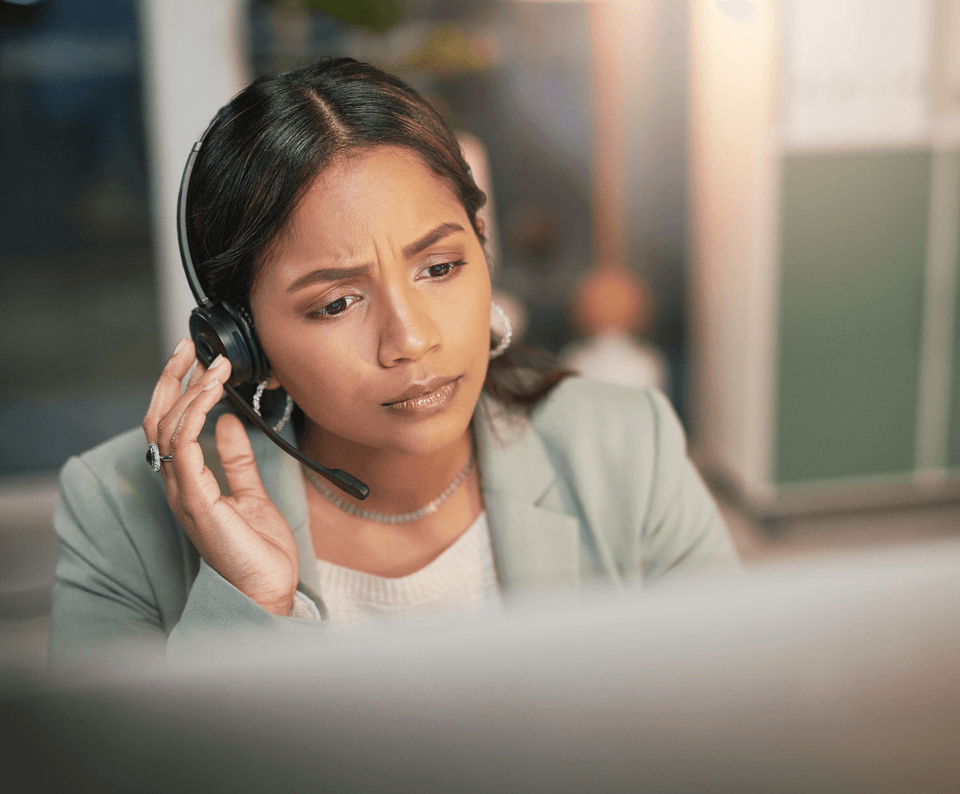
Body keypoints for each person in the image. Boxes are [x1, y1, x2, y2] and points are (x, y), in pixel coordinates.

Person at [50, 57, 737, 658]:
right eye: (336, 303)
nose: (410, 340)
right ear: (243, 343)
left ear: (483, 248)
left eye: (439, 268)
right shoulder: (116, 511)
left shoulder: (627, 447)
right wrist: (248, 609)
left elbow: (737, 720)